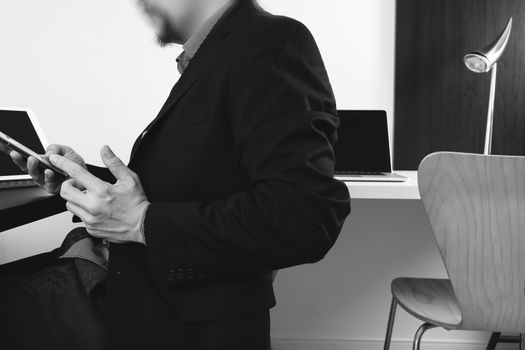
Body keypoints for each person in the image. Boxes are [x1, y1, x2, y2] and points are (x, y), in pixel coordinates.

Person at [0, 0, 351, 349]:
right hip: (143, 299)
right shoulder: (220, 56)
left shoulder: (272, 41)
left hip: (182, 324)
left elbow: (304, 218)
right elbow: (191, 186)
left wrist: (141, 222)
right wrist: (81, 177)